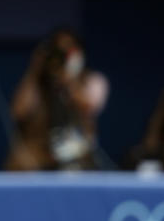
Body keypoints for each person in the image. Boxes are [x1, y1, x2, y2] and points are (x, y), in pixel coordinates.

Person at [6, 28, 108, 171]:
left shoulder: (93, 80)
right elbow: (18, 111)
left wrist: (69, 78)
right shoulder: (38, 82)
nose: (61, 56)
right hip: (42, 148)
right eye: (58, 50)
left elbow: (88, 107)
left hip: (76, 149)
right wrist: (34, 69)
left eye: (67, 51)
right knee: (20, 160)